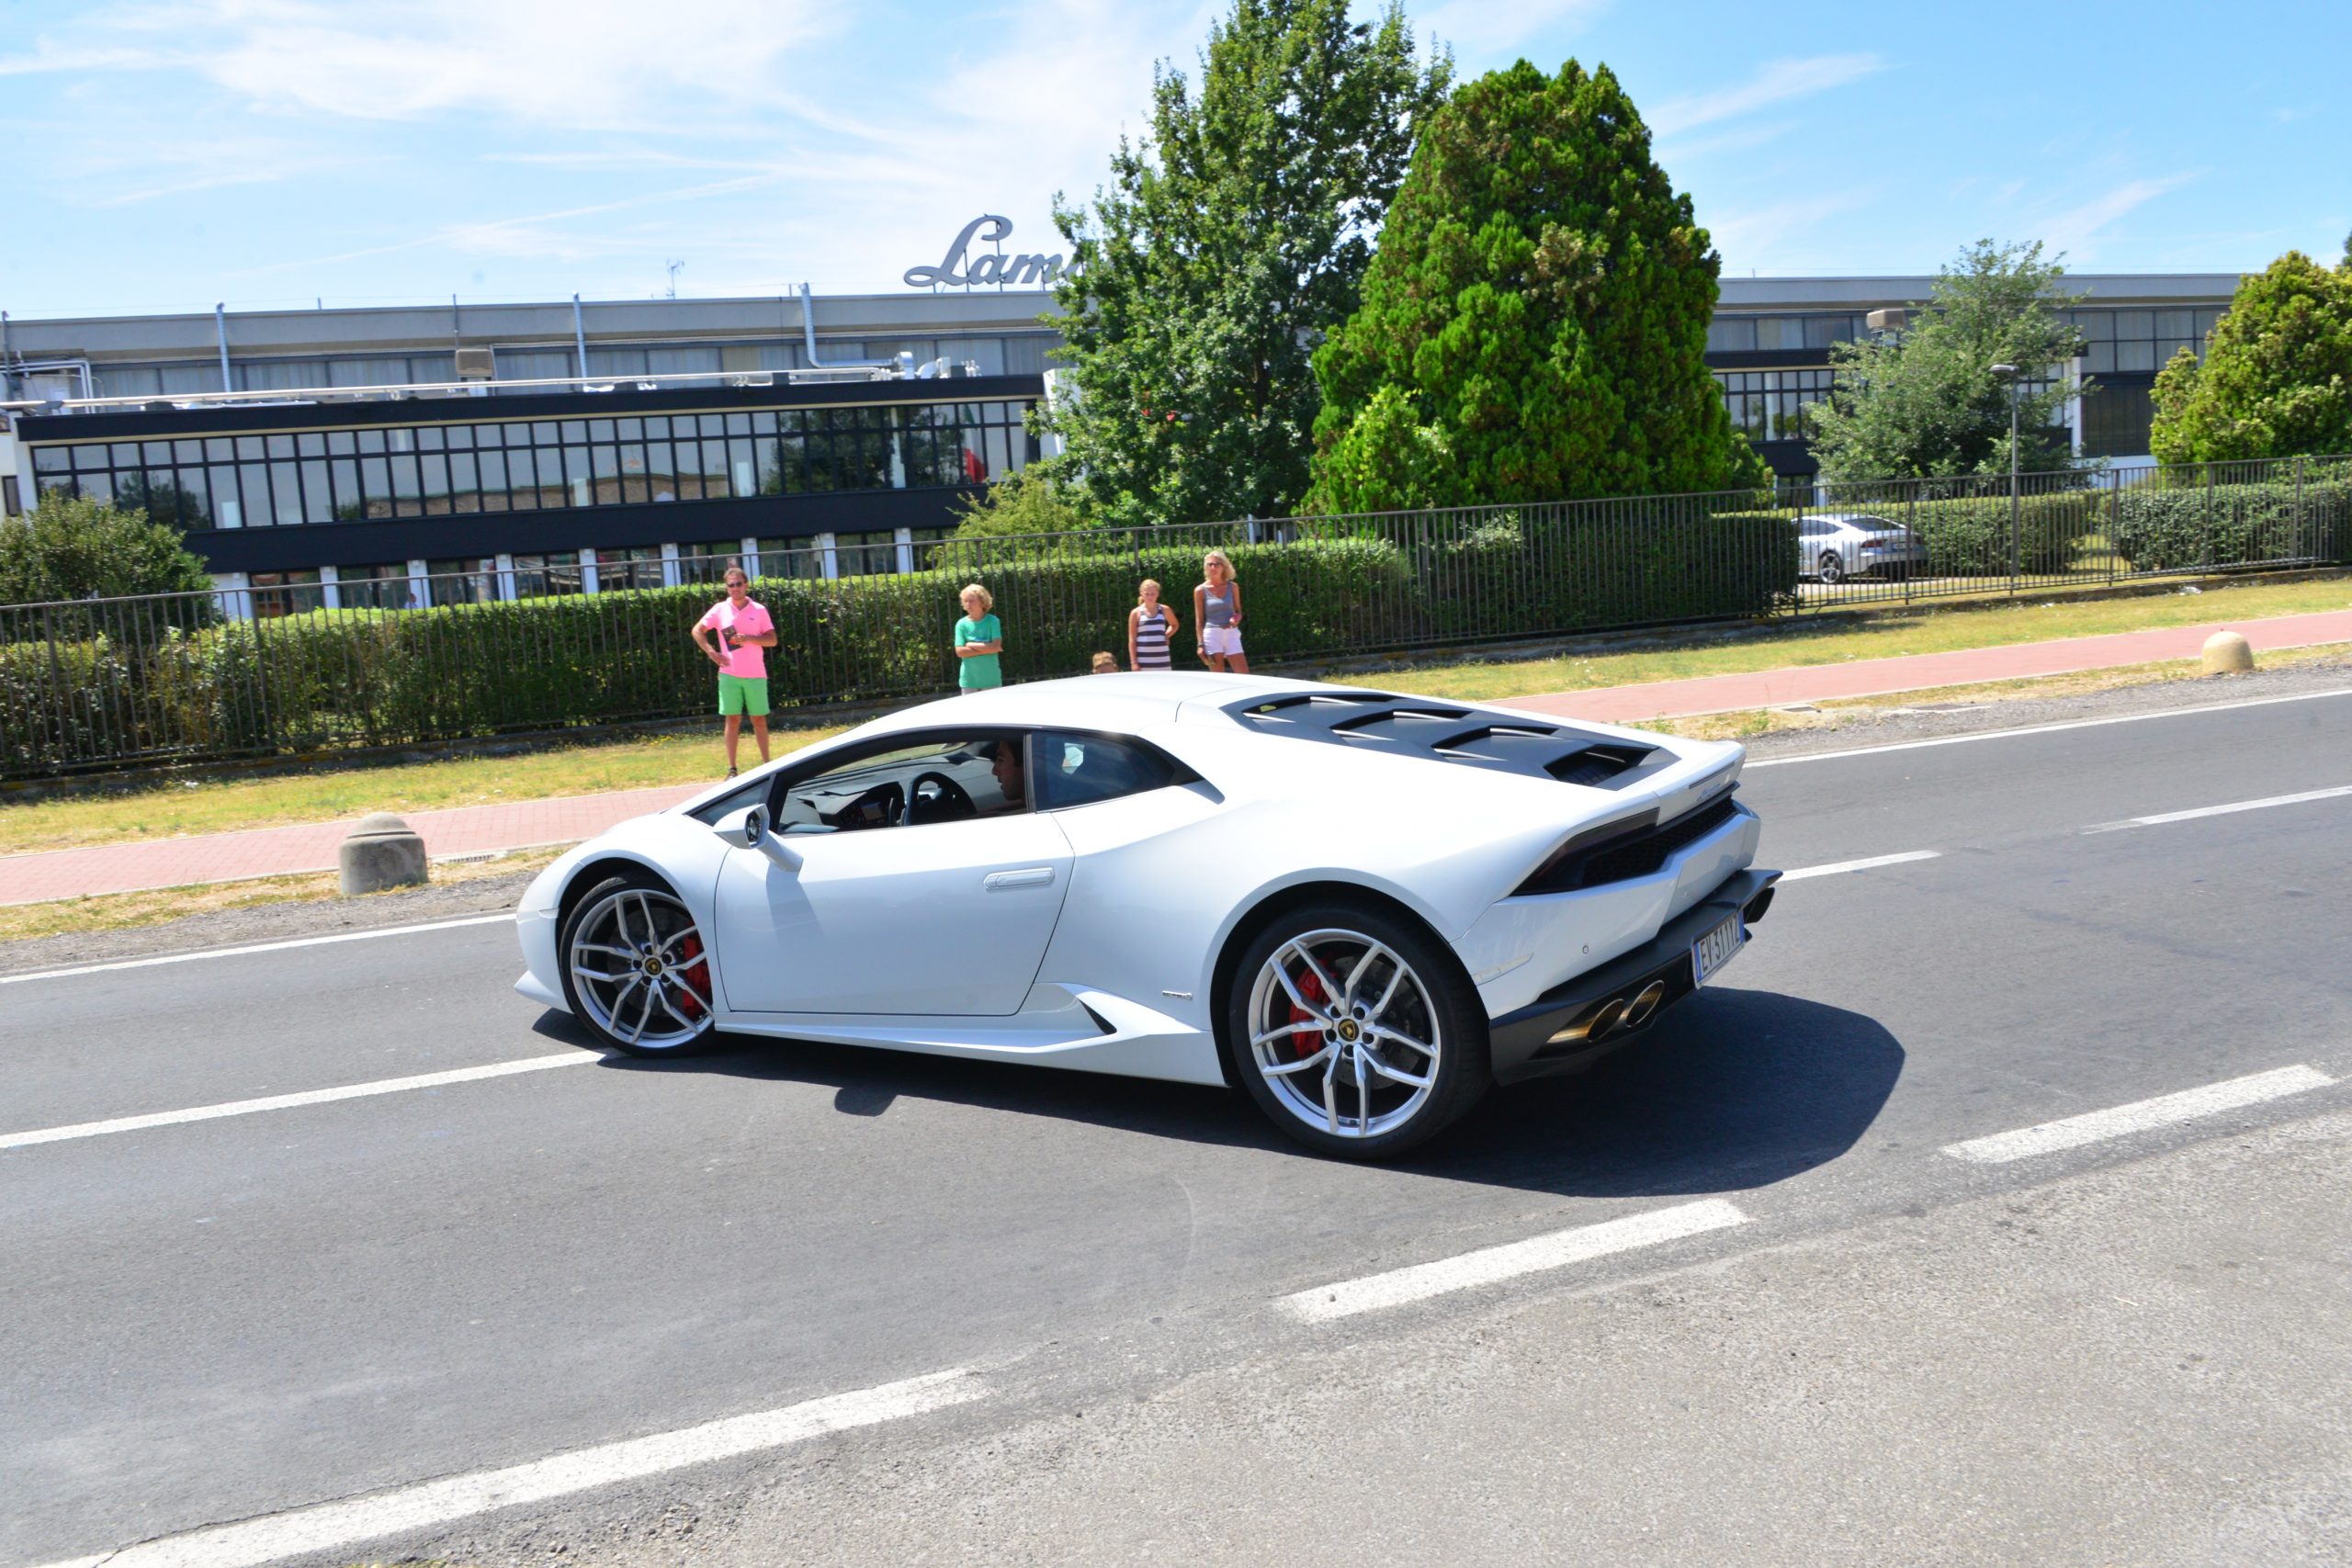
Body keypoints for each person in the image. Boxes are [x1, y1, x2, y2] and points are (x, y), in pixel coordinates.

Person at [690, 564, 775, 777]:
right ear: (726, 588)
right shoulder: (720, 609)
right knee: (732, 719)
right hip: (729, 675)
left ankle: (767, 765)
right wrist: (711, 652)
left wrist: (750, 639)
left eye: (738, 584)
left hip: (755, 674)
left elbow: (772, 640)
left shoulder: (759, 610)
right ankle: (732, 769)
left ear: (746, 585)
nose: (735, 588)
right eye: (731, 585)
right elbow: (697, 631)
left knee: (759, 719)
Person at [1193, 549, 1249, 673]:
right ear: (1206, 568)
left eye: (1217, 564)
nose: (1213, 567)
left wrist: (1236, 619)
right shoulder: (1200, 590)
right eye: (1210, 564)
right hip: (1212, 634)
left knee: (1244, 674)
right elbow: (1199, 620)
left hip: (1231, 633)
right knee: (1218, 676)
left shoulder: (1233, 587)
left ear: (1224, 567)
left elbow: (1238, 611)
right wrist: (1200, 645)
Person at [954, 584, 1003, 693]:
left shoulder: (993, 621)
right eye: (966, 601)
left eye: (971, 601)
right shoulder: (961, 624)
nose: (968, 604)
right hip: (969, 681)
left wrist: (970, 645)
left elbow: (995, 647)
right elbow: (960, 652)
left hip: (991, 680)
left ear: (982, 601)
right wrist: (987, 649)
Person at [1126, 578, 1180, 671]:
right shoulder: (1136, 613)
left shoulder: (1165, 609)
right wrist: (1134, 662)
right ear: (1141, 594)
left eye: (1153, 594)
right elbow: (1132, 639)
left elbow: (1174, 625)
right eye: (1147, 594)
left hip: (1162, 657)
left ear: (1158, 594)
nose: (1150, 597)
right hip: (1143, 659)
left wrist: (1166, 635)